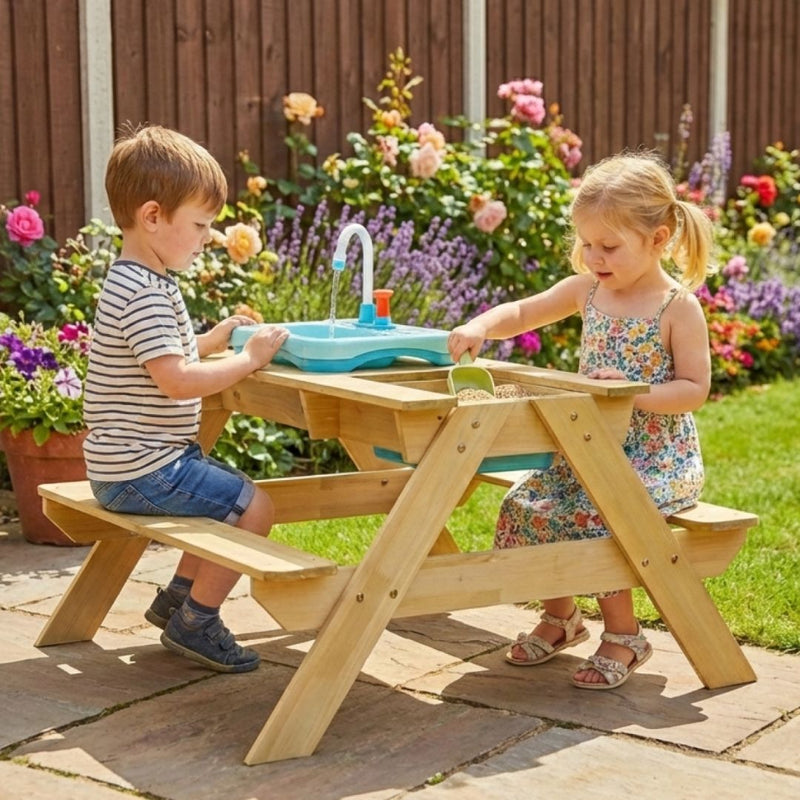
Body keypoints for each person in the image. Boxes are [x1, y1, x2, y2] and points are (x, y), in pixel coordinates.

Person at [448, 152, 714, 690]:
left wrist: (634, 396)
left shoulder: (676, 308)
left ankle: (624, 634)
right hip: (585, 448)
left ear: (659, 238)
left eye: (609, 247)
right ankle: (562, 617)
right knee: (526, 505)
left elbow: (694, 390)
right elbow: (522, 312)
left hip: (655, 459)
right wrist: (480, 325)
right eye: (587, 243)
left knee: (597, 513)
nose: (594, 256)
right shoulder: (587, 292)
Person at [83, 124, 289, 673]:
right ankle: (197, 621)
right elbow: (174, 380)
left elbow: (161, 357)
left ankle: (178, 598)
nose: (205, 238)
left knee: (223, 497)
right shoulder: (144, 293)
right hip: (141, 466)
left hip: (129, 461)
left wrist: (211, 341)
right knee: (253, 507)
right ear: (153, 216)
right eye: (198, 226)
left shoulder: (138, 280)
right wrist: (247, 361)